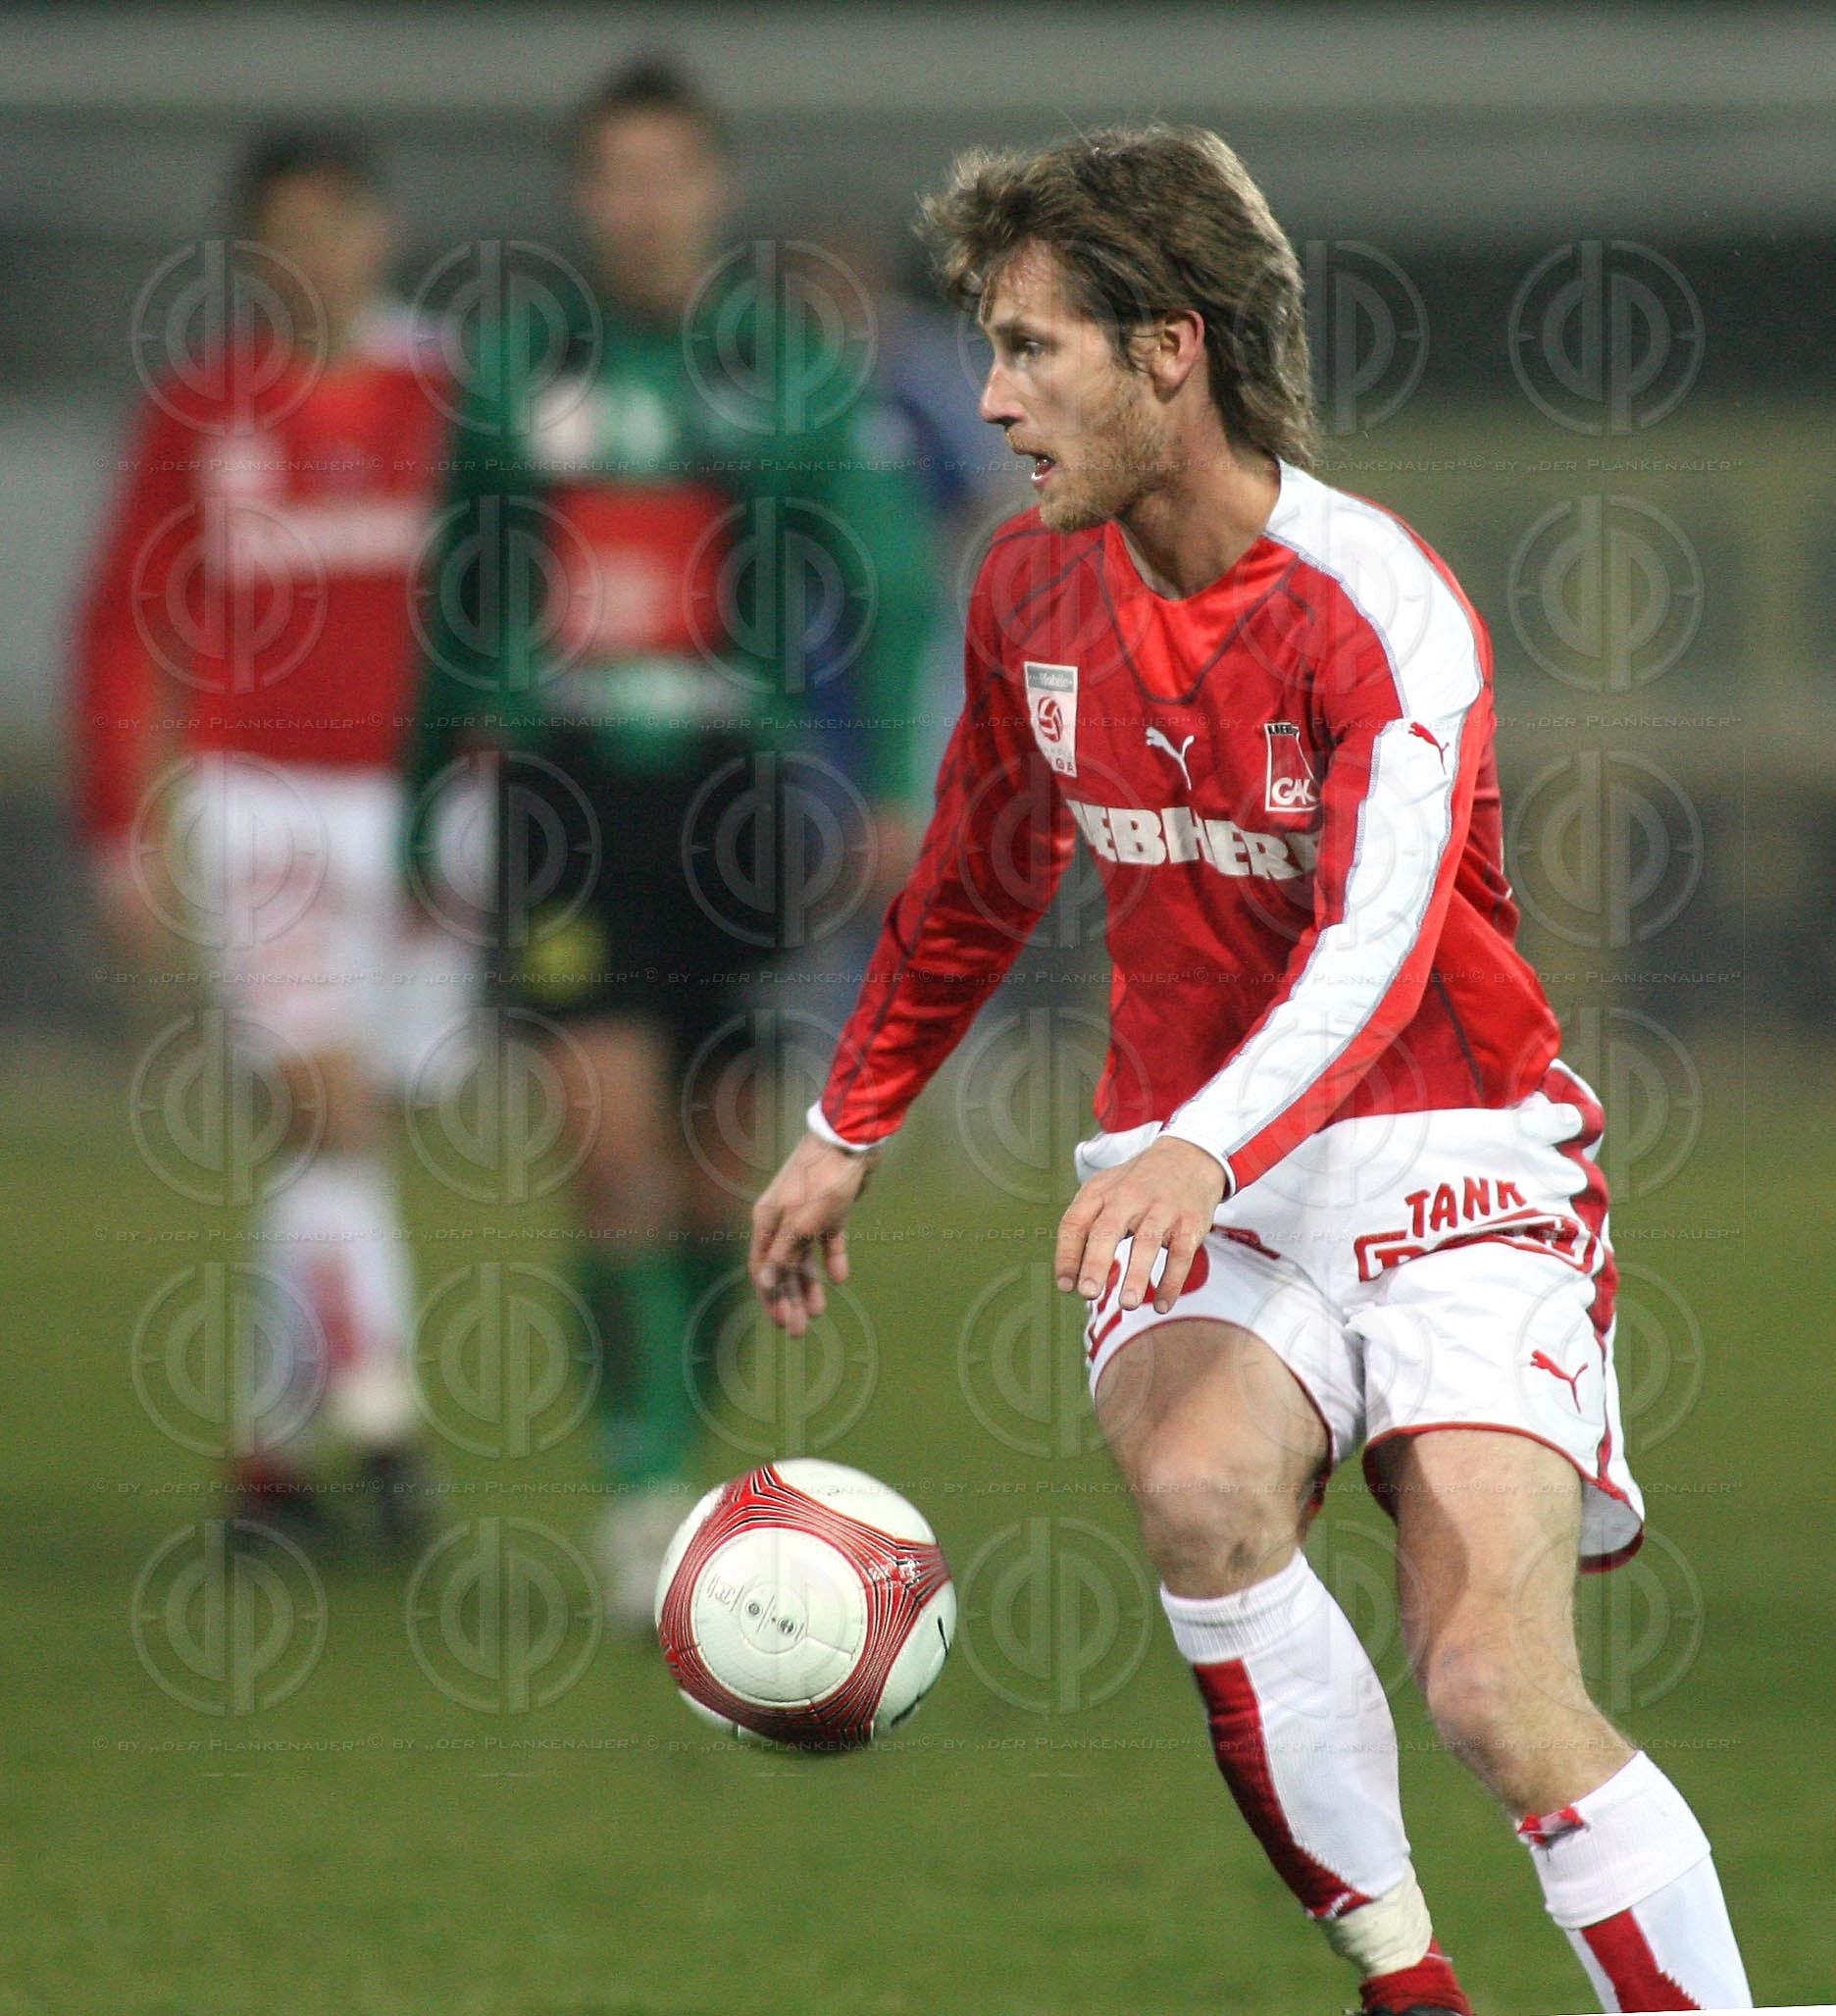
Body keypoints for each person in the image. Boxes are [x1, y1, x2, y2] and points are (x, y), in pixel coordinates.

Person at [748, 129, 1750, 2015]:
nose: (992, 399)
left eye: (1032, 348)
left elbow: (1378, 946)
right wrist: (844, 1124)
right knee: (1204, 1499)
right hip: (1205, 1171)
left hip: (1453, 1154)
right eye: (990, 348)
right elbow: (977, 873)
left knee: (1493, 1690)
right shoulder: (1027, 590)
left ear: (1170, 350)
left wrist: (1199, 1150)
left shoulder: (1381, 605)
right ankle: (1409, 1985)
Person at [403, 59, 940, 1626]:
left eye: (669, 175)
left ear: (713, 189)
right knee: (612, 1153)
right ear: (584, 197)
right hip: (567, 793)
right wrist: (425, 788)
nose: (643, 206)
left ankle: (676, 1447)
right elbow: (458, 586)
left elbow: (891, 581)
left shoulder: (789, 369)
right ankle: (639, 1489)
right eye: (615, 178)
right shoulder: (518, 366)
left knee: (720, 1186)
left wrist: (890, 783)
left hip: (733, 797)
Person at [74, 129, 459, 1550]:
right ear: (249, 253)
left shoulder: (453, 398)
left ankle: (270, 1463)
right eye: (279, 237)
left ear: (378, 234)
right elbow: (126, 622)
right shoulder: (203, 408)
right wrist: (123, 830)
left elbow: (512, 599)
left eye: (330, 229)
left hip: (427, 810)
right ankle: (388, 1422)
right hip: (260, 804)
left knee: (349, 1143)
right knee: (327, 1113)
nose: (307, 261)